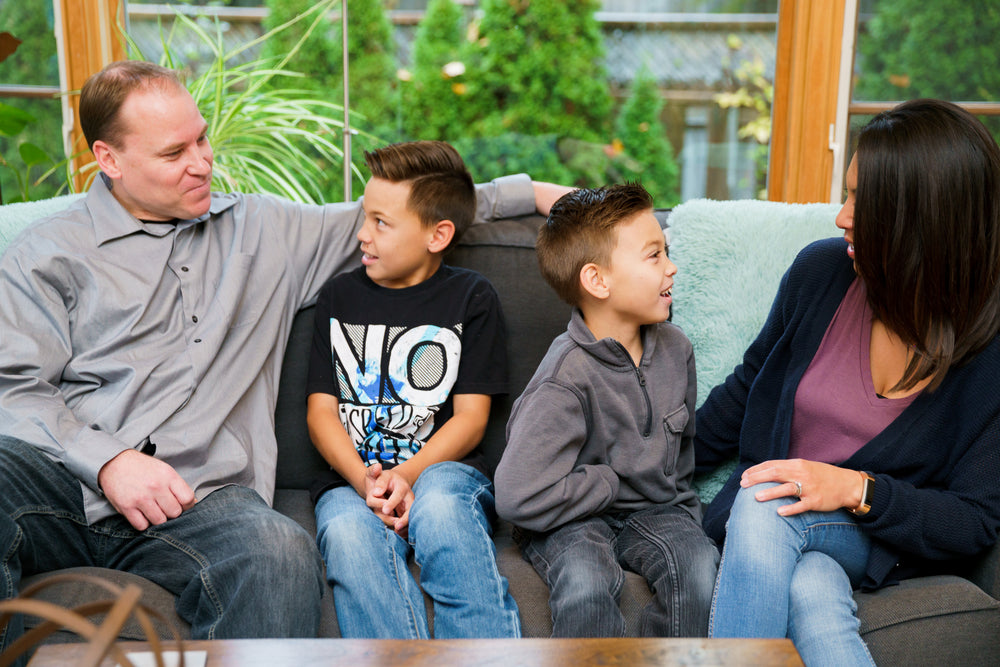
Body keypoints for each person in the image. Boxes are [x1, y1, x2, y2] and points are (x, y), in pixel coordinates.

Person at [0, 60, 557, 656]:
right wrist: (109, 460)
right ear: (109, 160)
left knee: (281, 552)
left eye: (203, 138)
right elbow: (12, 388)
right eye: (173, 154)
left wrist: (561, 198)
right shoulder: (47, 255)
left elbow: (426, 212)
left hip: (203, 503)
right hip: (64, 486)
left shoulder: (263, 230)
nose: (203, 162)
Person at [695, 99, 1000, 666]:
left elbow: (973, 520)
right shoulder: (821, 273)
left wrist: (856, 489)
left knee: (764, 501)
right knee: (811, 591)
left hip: (875, 537)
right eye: (848, 192)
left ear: (923, 220)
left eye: (864, 201)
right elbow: (743, 395)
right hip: (795, 542)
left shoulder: (989, 353)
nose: (841, 216)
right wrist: (629, 468)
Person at [307, 140, 520, 639]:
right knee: (347, 534)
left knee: (443, 512)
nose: (363, 235)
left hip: (445, 474)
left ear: (438, 234)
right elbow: (321, 414)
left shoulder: (472, 297)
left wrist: (405, 475)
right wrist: (366, 482)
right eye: (365, 218)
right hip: (350, 481)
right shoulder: (338, 296)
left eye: (381, 223)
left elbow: (471, 418)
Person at [495, 184, 719, 638]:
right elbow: (516, 495)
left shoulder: (677, 350)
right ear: (598, 280)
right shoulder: (564, 377)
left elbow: (681, 462)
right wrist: (605, 481)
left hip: (657, 513)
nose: (671, 268)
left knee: (698, 570)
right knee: (586, 582)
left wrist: (685, 520)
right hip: (571, 520)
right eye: (654, 256)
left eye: (667, 251)